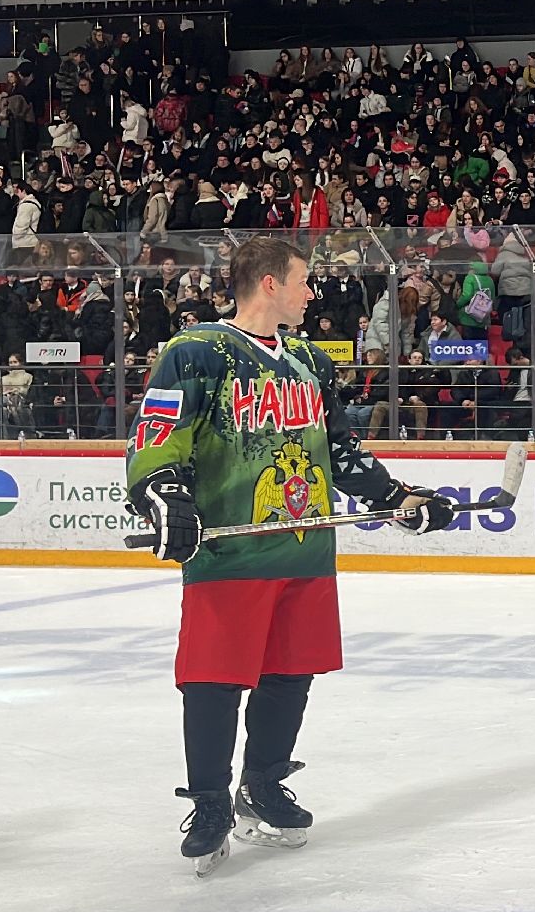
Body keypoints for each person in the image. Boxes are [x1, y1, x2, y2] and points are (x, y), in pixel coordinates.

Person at [125, 237, 455, 877]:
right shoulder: (195, 353)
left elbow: (342, 450)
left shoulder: (308, 361)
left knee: (290, 671)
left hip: (305, 548)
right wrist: (163, 495)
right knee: (215, 679)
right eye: (304, 282)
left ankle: (264, 781)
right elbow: (157, 436)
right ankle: (212, 802)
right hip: (232, 553)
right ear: (270, 284)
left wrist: (398, 495)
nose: (312, 293)